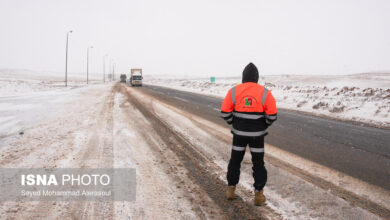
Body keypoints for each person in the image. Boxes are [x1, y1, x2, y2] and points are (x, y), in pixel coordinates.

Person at [220, 63, 277, 206]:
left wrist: (234, 122)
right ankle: (258, 195)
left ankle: (230, 191)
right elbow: (272, 115)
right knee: (258, 163)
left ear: (243, 77)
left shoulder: (234, 91)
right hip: (257, 136)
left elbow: (225, 112)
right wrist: (264, 124)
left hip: (238, 134)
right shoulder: (265, 92)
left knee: (235, 161)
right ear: (256, 77)